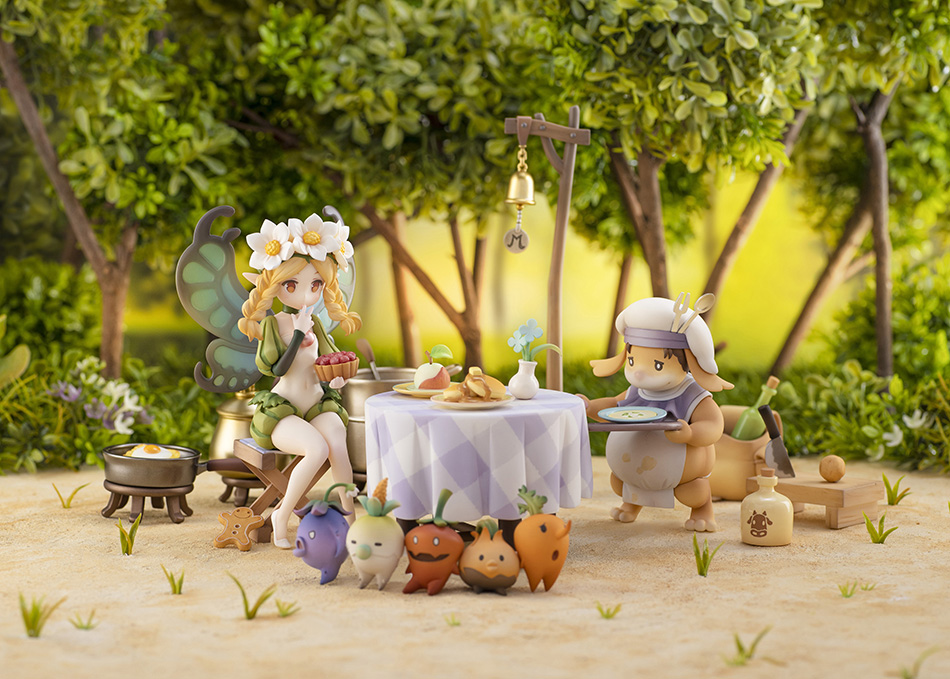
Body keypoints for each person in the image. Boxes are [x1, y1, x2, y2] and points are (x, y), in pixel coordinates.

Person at [238, 214, 361, 548]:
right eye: (292, 285)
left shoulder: (316, 324)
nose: (306, 294)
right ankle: (281, 514)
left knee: (337, 441)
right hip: (283, 412)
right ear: (276, 286)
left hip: (317, 404)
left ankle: (351, 519)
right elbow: (275, 369)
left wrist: (336, 380)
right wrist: (296, 336)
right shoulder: (274, 324)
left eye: (316, 285)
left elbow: (327, 362)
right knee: (316, 448)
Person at [579, 295, 732, 532]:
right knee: (621, 483)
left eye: (657, 365)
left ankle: (703, 510)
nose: (639, 373)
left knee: (693, 493)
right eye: (632, 361)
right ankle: (631, 504)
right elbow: (613, 406)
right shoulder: (637, 390)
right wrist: (589, 407)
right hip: (631, 472)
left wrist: (690, 434)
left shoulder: (691, 394)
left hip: (682, 477)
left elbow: (713, 425)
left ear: (686, 361)